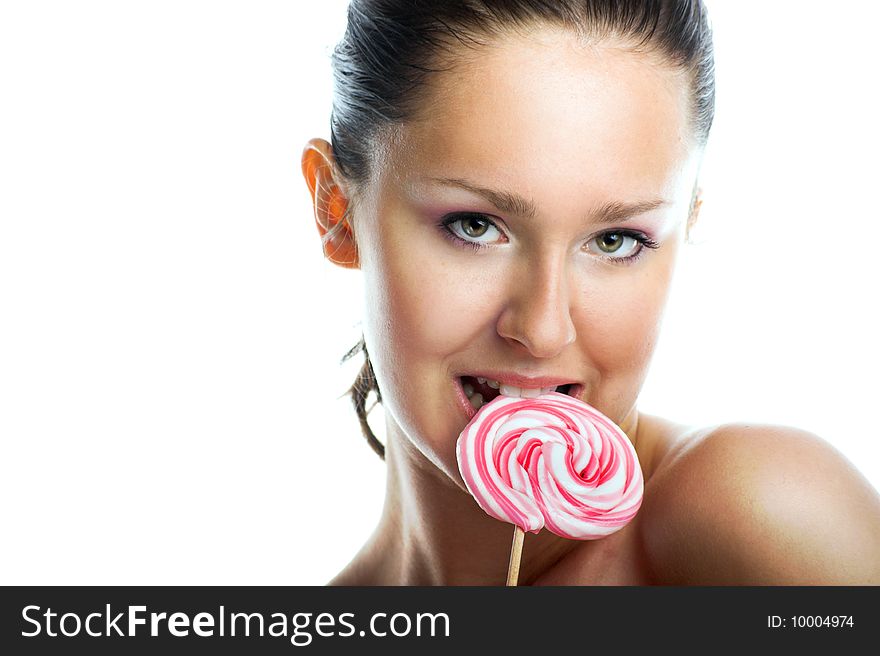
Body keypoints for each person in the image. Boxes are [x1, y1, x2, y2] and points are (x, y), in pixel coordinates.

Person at [300, 0, 880, 585]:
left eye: (614, 240)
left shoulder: (762, 517)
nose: (544, 329)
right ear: (337, 212)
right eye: (474, 225)